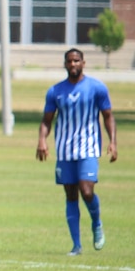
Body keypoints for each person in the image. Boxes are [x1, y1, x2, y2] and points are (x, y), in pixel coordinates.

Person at [35, 48, 117, 255]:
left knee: (86, 190)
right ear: (65, 64)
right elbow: (47, 120)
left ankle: (96, 223)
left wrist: (113, 142)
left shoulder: (96, 88)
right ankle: (76, 245)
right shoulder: (55, 91)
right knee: (71, 195)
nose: (73, 65)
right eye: (69, 61)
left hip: (88, 148)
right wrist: (42, 140)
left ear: (83, 63)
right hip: (64, 150)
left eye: (76, 61)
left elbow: (108, 116)